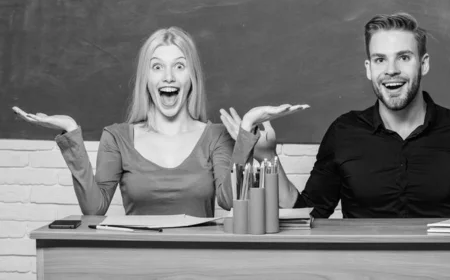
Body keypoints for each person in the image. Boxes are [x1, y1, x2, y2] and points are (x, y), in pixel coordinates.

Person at [220, 13, 450, 218]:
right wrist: (268, 157)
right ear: (368, 69)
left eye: (404, 57)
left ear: (424, 64)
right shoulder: (344, 131)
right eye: (380, 59)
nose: (392, 70)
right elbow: (307, 215)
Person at [13, 27, 308, 217]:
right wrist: (70, 134)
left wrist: (246, 131)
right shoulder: (116, 137)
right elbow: (94, 209)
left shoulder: (216, 136)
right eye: (158, 67)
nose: (168, 76)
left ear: (191, 78)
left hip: (201, 267)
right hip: (136, 267)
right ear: (147, 79)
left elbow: (230, 201)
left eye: (179, 66)